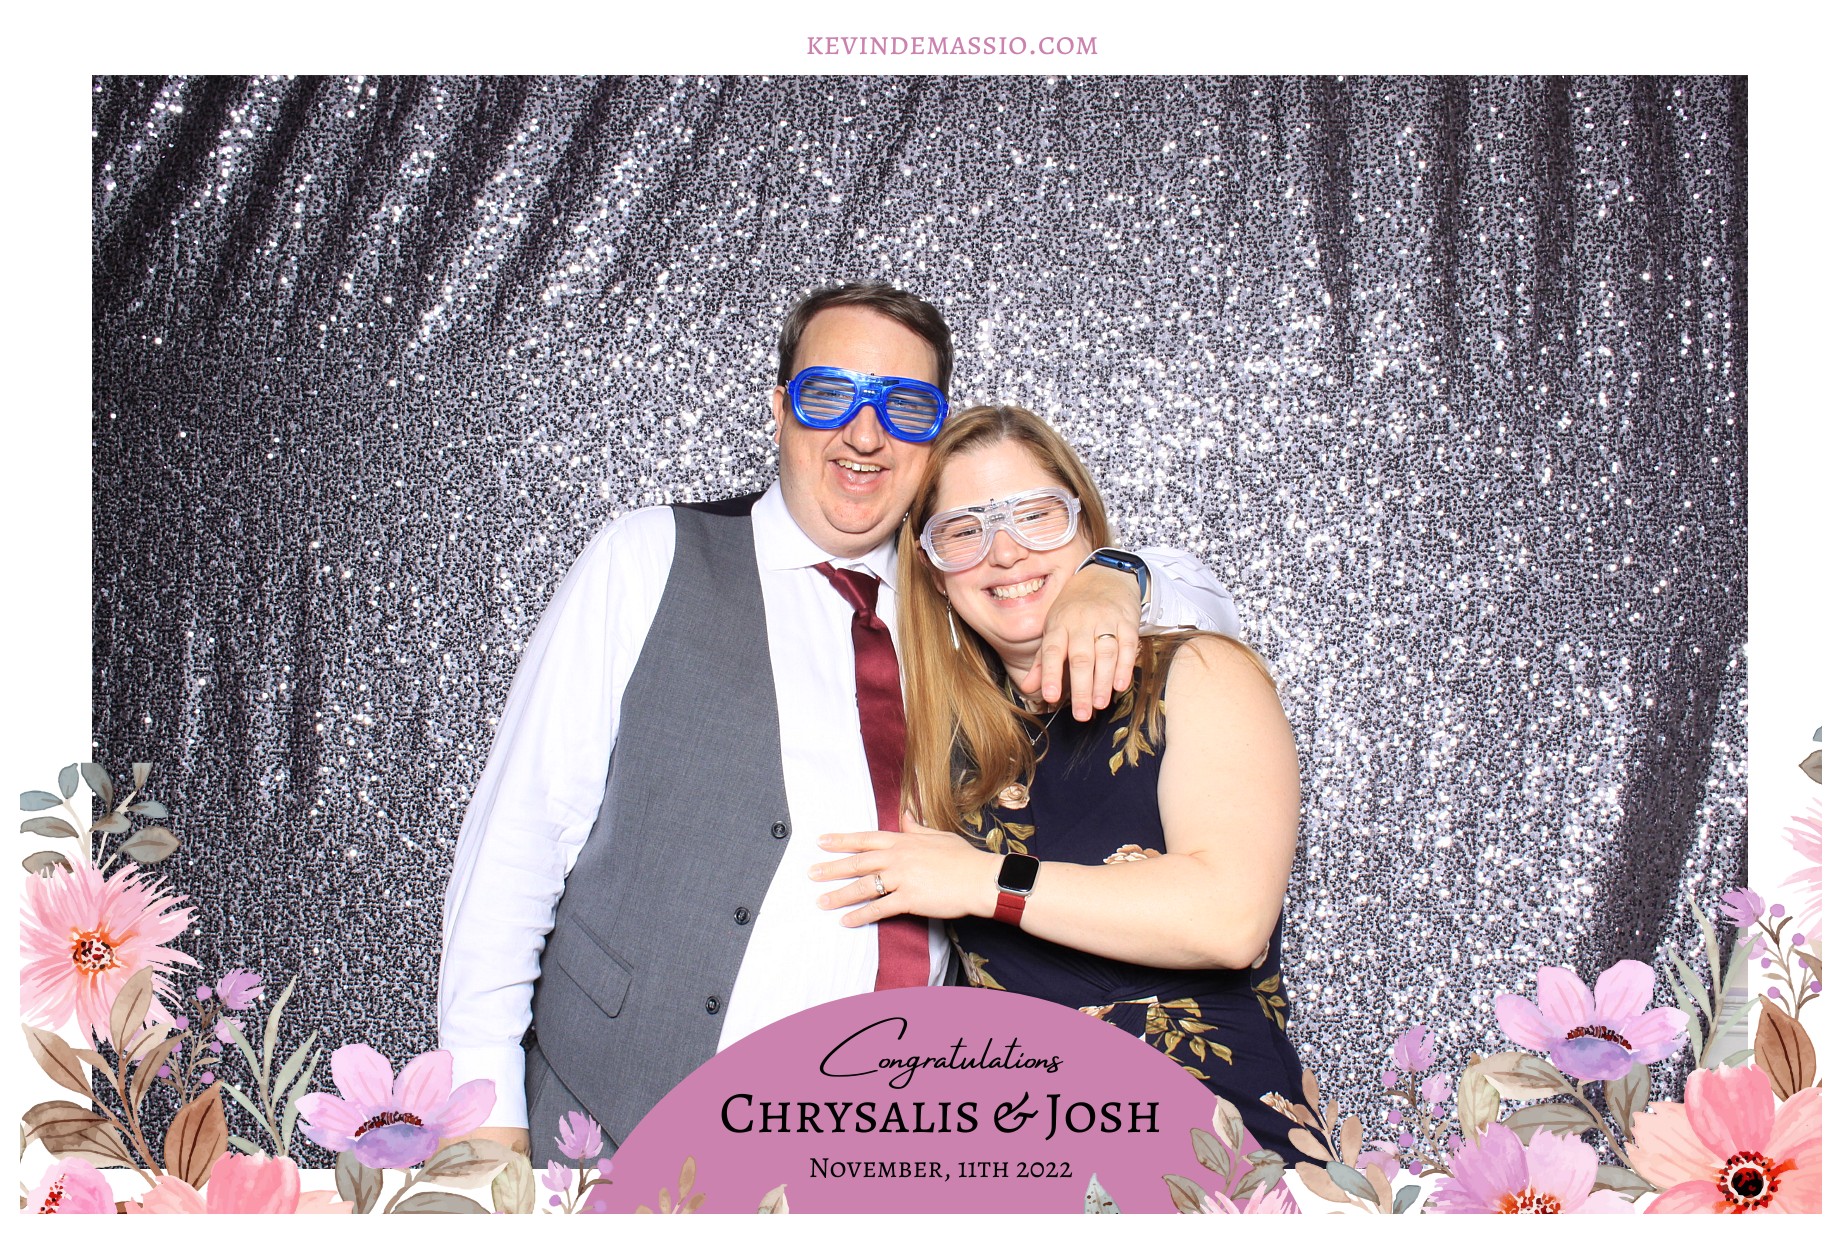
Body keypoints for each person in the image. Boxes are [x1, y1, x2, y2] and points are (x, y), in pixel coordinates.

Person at [437, 285, 1242, 1159]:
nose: (865, 434)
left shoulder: (961, 599)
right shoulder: (649, 556)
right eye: (830, 395)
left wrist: (1115, 576)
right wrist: (483, 1121)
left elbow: (1204, 610)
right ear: (780, 409)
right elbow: (521, 835)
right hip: (614, 1123)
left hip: (885, 1147)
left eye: (904, 406)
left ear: (932, 436)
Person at [809, 404, 1307, 1157]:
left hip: (1220, 1146)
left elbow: (1229, 920)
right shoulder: (934, 747)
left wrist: (982, 881)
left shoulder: (1199, 673)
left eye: (1036, 515)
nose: (1006, 552)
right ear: (935, 574)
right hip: (1025, 1161)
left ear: (1088, 533)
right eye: (964, 530)